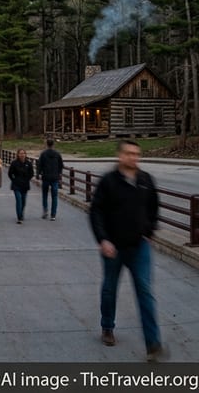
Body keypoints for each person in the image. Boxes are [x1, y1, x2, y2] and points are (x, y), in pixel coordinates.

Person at [89, 139, 161, 361]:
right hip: (113, 247)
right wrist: (103, 240)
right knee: (110, 288)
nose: (134, 158)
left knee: (145, 292)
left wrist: (148, 232)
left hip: (139, 247)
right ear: (120, 156)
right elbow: (96, 212)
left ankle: (152, 343)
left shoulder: (145, 180)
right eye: (129, 153)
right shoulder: (109, 182)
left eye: (137, 154)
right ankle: (107, 326)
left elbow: (153, 208)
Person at [37, 137, 65, 220]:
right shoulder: (57, 154)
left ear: (46, 144)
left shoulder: (43, 154)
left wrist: (38, 174)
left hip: (45, 176)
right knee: (54, 196)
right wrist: (59, 173)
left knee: (45, 195)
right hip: (55, 177)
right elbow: (61, 165)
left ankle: (45, 210)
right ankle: (53, 214)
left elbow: (39, 165)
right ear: (53, 144)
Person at [8, 149, 35, 223]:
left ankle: (22, 212)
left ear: (25, 154)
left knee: (23, 201)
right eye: (20, 153)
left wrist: (27, 179)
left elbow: (31, 173)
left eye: (23, 153)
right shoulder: (14, 163)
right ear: (18, 154)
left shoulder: (28, 163)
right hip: (16, 185)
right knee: (18, 200)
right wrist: (14, 180)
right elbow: (10, 173)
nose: (22, 155)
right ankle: (19, 217)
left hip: (25, 185)